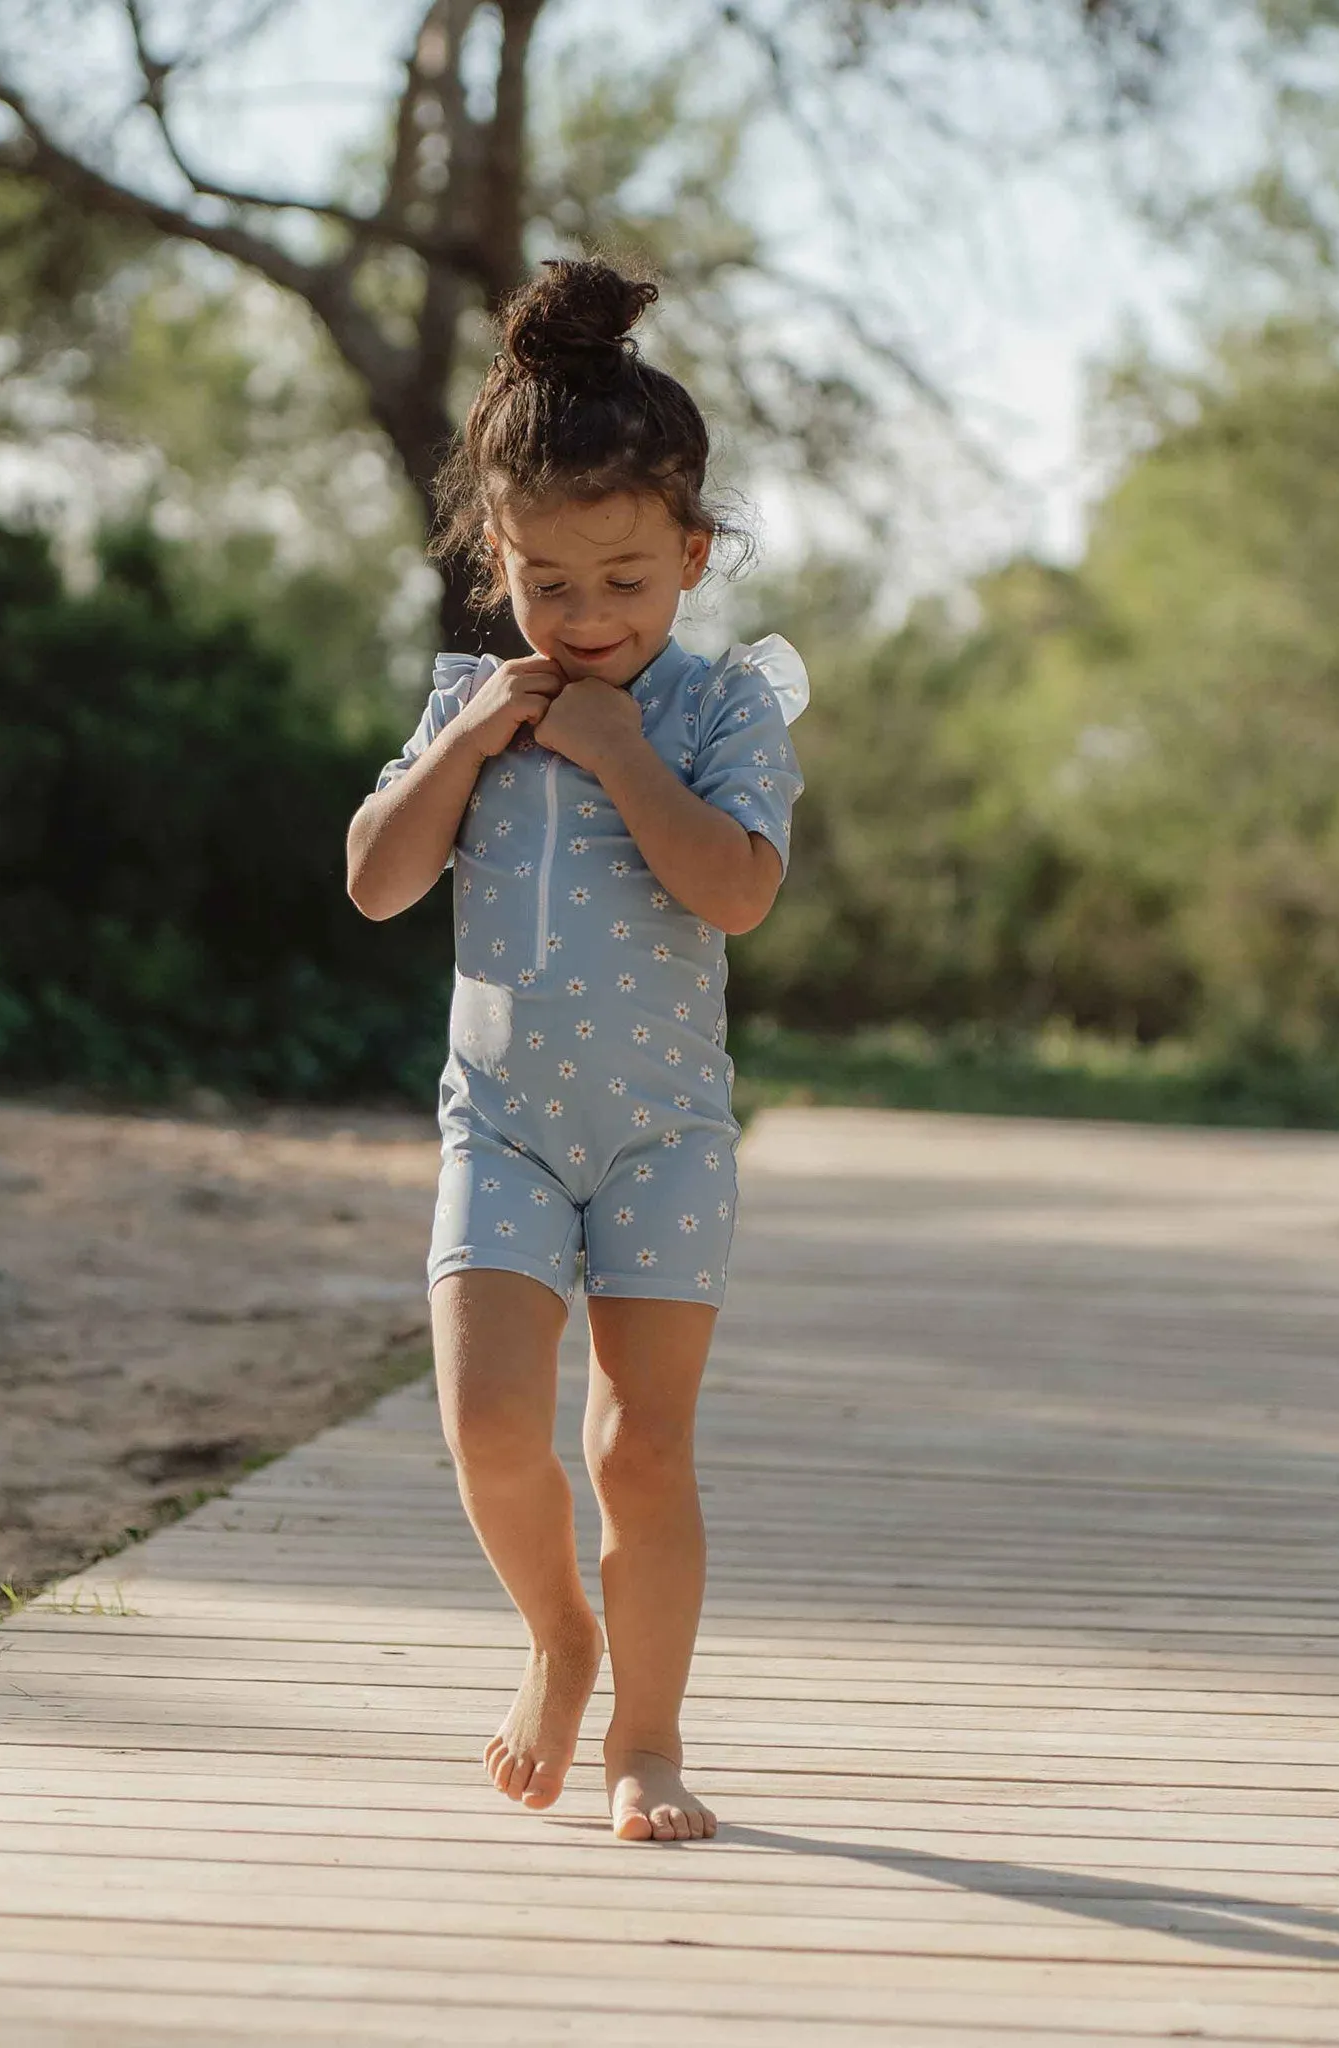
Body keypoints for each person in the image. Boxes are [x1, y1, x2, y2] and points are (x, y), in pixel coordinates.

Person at [345, 257, 804, 1844]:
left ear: (689, 555)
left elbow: (737, 891)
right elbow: (378, 881)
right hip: (508, 1128)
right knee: (486, 1424)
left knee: (643, 1445)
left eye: (624, 580)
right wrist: (475, 742)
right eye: (550, 582)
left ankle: (650, 1743)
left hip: (665, 1134)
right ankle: (559, 1636)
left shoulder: (723, 714)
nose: (587, 618)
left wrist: (619, 756)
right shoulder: (474, 703)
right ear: (498, 559)